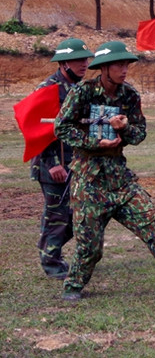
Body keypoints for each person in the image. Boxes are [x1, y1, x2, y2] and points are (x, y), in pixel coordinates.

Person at [54, 41, 155, 301]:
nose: (124, 69)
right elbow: (61, 128)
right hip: (89, 182)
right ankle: (73, 286)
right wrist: (94, 142)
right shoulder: (83, 92)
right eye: (119, 64)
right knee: (89, 247)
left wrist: (123, 129)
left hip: (121, 180)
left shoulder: (129, 96)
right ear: (104, 68)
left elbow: (139, 133)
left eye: (127, 64)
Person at [31, 38, 94, 279]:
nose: (84, 64)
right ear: (64, 62)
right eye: (79, 59)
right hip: (53, 165)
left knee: (74, 214)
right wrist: (53, 163)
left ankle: (50, 250)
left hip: (74, 163)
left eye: (86, 59)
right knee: (57, 214)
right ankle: (52, 264)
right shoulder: (48, 89)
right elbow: (38, 129)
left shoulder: (77, 88)